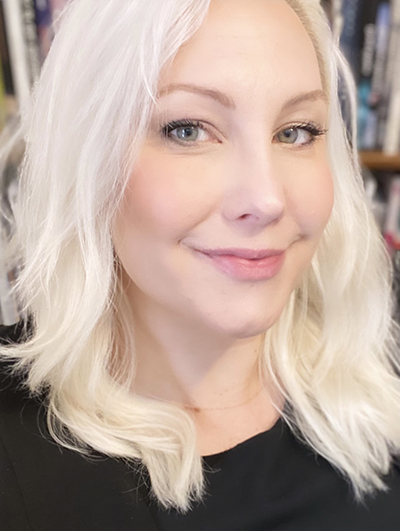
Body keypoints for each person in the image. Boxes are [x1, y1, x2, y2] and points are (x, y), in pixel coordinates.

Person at [0, 0, 399, 529]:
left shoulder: (380, 364)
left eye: (296, 131)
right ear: (88, 157)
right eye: (188, 129)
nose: (267, 198)